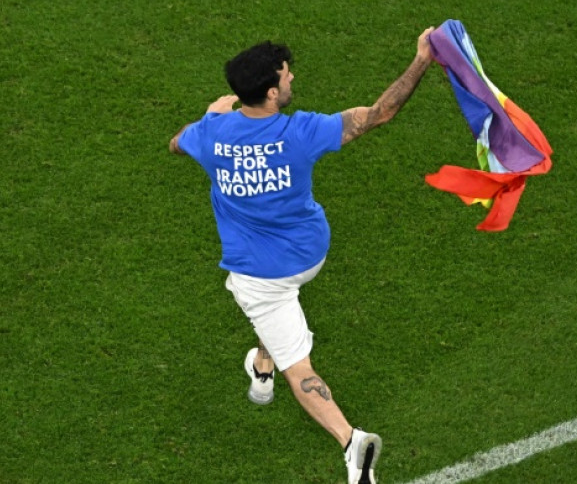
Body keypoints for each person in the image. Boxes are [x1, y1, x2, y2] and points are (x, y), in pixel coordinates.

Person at [169, 27, 434, 484]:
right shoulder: (301, 133)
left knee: (299, 363)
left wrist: (214, 113)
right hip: (309, 255)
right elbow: (379, 113)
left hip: (262, 277)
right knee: (284, 345)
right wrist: (423, 60)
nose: (293, 80)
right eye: (287, 76)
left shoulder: (209, 135)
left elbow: (176, 143)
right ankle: (276, 378)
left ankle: (352, 443)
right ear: (271, 93)